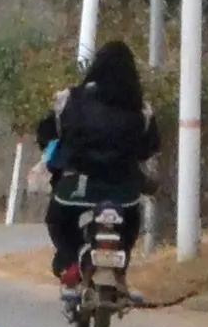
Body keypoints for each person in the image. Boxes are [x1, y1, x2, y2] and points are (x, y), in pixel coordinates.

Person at [34, 40, 160, 261]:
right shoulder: (140, 109)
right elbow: (148, 148)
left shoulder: (71, 100)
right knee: (130, 225)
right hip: (123, 190)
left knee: (58, 221)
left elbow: (47, 133)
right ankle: (120, 272)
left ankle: (72, 260)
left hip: (77, 187)